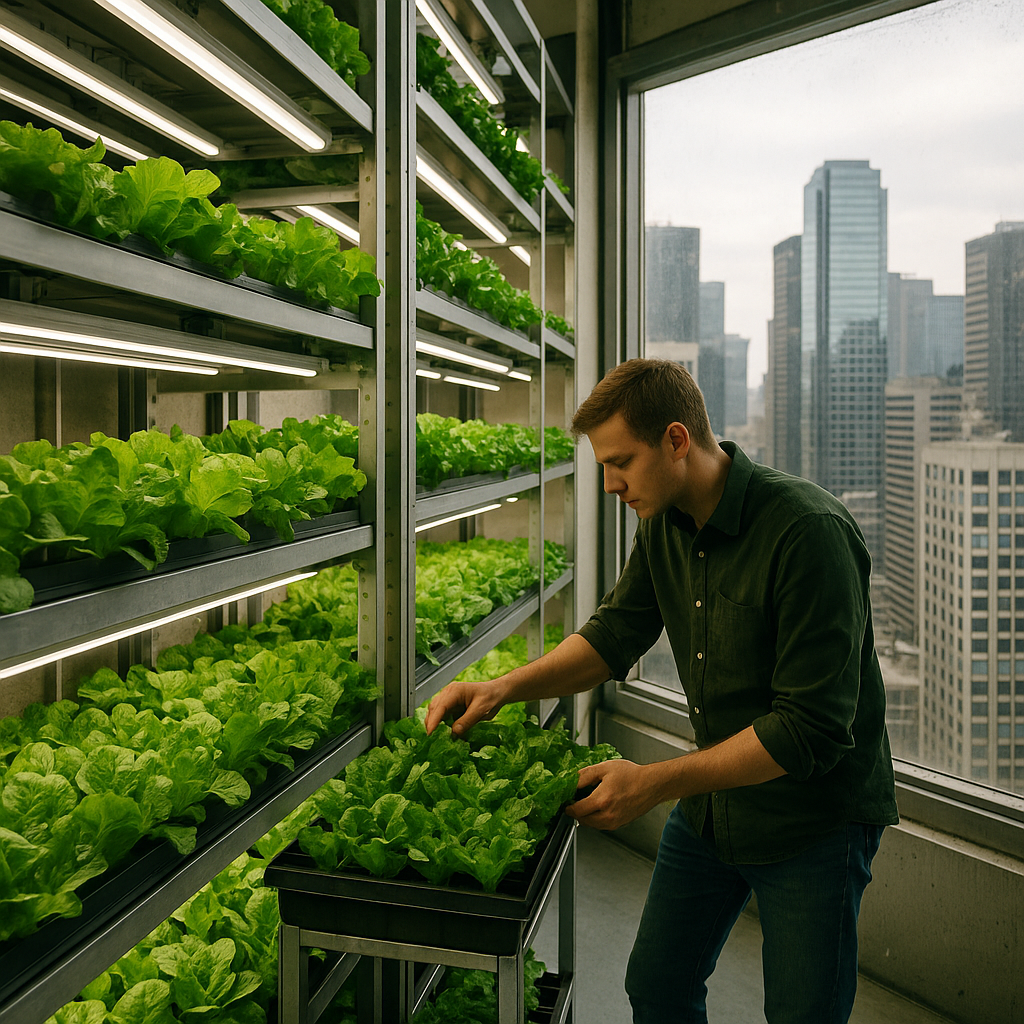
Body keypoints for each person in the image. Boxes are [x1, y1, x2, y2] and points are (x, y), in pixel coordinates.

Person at [425, 357, 898, 1024]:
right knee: (657, 987)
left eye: (622, 461)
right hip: (713, 806)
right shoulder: (665, 525)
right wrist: (501, 689)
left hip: (812, 821)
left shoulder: (807, 533)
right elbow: (616, 635)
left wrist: (651, 783)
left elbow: (808, 730)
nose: (612, 484)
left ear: (677, 440)